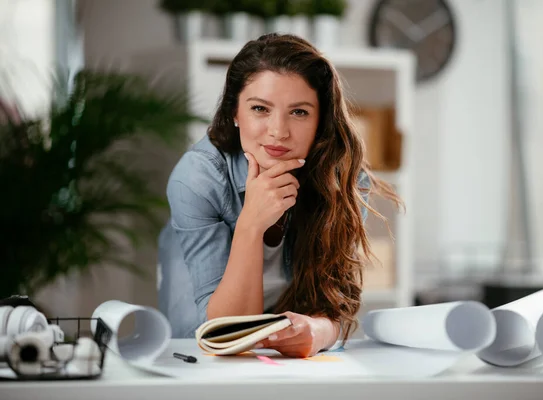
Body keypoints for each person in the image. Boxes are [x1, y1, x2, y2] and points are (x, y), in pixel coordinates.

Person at [157, 33, 401, 358]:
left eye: (299, 112)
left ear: (320, 121)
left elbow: (339, 308)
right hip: (197, 355)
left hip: (280, 359)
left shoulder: (344, 179)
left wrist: (316, 332)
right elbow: (226, 332)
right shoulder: (198, 178)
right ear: (234, 112)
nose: (279, 131)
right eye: (260, 108)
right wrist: (251, 225)